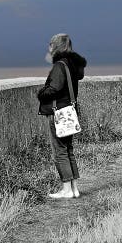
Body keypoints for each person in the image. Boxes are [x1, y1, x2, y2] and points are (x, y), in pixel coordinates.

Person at [36, 33, 87, 200]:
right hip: (70, 112)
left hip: (59, 113)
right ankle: (74, 188)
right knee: (68, 150)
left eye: (50, 45)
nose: (48, 48)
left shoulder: (59, 65)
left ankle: (66, 189)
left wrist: (41, 93)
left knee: (60, 152)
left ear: (55, 47)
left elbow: (55, 88)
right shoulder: (72, 65)